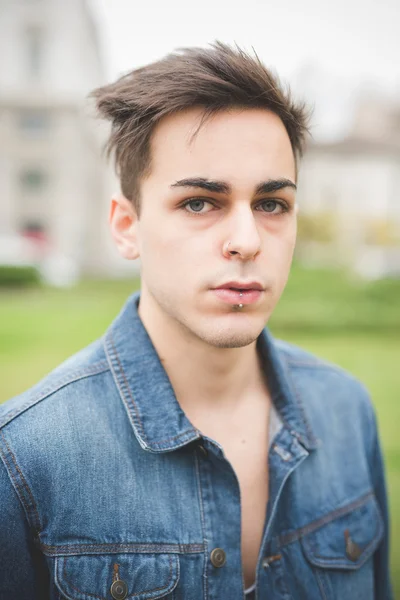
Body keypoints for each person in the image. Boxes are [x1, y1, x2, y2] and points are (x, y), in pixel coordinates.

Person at [0, 42, 393, 600]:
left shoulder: (347, 411)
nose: (246, 241)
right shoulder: (23, 457)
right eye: (199, 203)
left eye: (271, 203)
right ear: (126, 226)